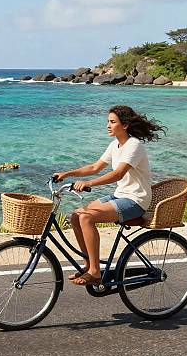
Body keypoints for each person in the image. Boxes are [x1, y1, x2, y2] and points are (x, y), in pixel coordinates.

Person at [53, 105, 165, 286]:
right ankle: (89, 266)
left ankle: (95, 272)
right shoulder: (115, 145)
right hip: (120, 195)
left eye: (112, 122)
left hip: (136, 200)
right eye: (108, 121)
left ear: (125, 125)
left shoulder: (134, 145)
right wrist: (67, 174)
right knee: (76, 216)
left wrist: (88, 184)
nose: (108, 125)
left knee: (87, 218)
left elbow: (118, 174)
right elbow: (94, 167)